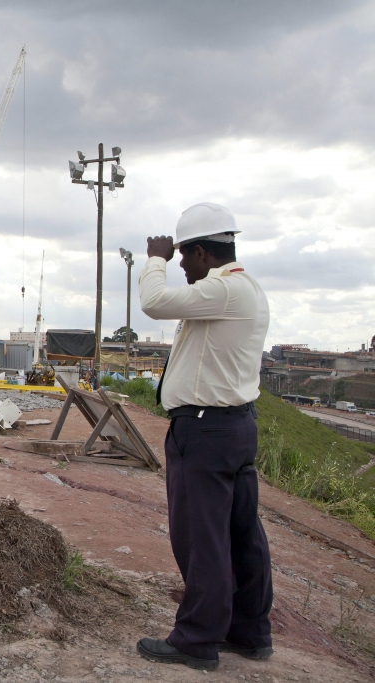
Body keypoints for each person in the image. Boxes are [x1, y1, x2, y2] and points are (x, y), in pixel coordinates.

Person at [135, 202, 273, 671]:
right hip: (234, 426)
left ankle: (196, 640)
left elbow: (154, 302)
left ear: (198, 252)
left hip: (205, 429)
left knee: (202, 539)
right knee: (240, 533)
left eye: (181, 257)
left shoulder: (223, 290)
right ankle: (249, 631)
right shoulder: (246, 288)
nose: (180, 267)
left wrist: (154, 257)